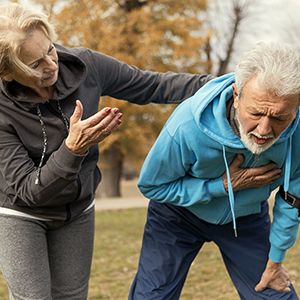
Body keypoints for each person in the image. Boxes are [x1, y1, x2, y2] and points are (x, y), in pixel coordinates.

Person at [0, 3, 212, 300]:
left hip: (77, 210)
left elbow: (153, 85)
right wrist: (72, 148)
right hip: (20, 213)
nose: (50, 65)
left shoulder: (85, 66)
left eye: (49, 50)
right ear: (8, 73)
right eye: (34, 65)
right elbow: (28, 190)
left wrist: (226, 85)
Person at [129, 42, 300, 300]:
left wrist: (276, 257)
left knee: (275, 295)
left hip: (246, 218)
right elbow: (152, 186)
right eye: (256, 113)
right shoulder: (186, 125)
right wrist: (220, 186)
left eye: (279, 118)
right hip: (177, 216)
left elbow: (293, 194)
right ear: (237, 93)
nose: (264, 130)